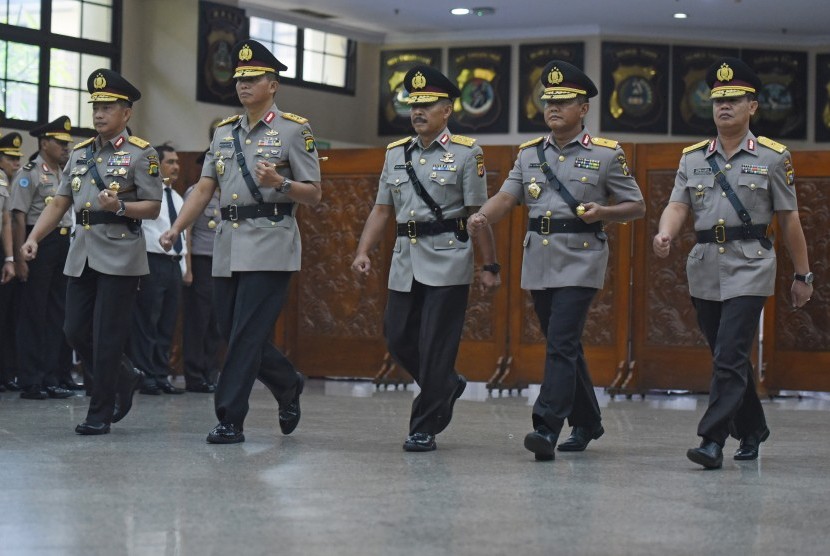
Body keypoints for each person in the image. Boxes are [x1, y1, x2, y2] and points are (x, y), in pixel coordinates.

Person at [468, 60, 645, 461]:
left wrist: (603, 213)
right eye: (549, 101)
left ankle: (546, 426)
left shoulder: (605, 154)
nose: (553, 108)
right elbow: (507, 197)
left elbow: (637, 206)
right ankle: (588, 421)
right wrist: (482, 217)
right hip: (540, 258)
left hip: (582, 258)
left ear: (583, 108)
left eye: (563, 102)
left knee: (561, 342)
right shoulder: (529, 154)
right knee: (563, 344)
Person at [653, 58, 813, 469]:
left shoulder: (774, 158)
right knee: (729, 355)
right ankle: (754, 428)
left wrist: (802, 275)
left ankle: (711, 440)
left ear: (753, 106)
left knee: (729, 354)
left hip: (751, 265)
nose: (724, 106)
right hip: (704, 265)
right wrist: (665, 232)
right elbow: (677, 203)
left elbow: (790, 217)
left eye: (734, 99)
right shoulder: (692, 158)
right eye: (718, 99)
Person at [160, 39, 320, 444]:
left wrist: (280, 182)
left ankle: (230, 417)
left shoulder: (294, 130)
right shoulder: (225, 133)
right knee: (231, 331)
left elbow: (314, 192)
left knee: (247, 334)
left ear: (273, 85)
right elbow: (202, 189)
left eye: (253, 79)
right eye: (240, 79)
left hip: (271, 243)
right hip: (227, 245)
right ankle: (287, 382)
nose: (244, 86)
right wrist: (177, 228)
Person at [351, 65, 499, 452]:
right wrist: (363, 250)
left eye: (427, 105)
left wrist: (488, 265)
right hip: (406, 259)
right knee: (398, 336)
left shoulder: (468, 154)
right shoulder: (396, 153)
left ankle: (424, 425)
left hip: (450, 258)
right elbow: (382, 209)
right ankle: (446, 384)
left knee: (436, 344)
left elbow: (477, 216)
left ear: (446, 110)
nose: (417, 112)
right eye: (413, 105)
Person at [20, 69, 162, 434]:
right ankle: (123, 374)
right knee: (73, 330)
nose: (99, 113)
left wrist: (120, 207)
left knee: (107, 335)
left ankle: (99, 412)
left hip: (120, 253)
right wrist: (34, 236)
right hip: (81, 252)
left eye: (108, 107)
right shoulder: (80, 153)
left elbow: (153, 206)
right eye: (96, 106)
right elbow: (59, 201)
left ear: (126, 113)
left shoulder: (141, 154)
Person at [10, 116, 76, 399]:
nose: (65, 148)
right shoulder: (30, 172)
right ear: (45, 142)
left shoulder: (64, 171)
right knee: (34, 314)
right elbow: (17, 218)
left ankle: (51, 376)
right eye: (60, 143)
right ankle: (30, 379)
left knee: (56, 312)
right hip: (38, 244)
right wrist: (19, 257)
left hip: (62, 244)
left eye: (67, 144)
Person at [130, 144, 187, 395]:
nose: (175, 166)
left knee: (167, 322)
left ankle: (161, 373)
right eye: (170, 162)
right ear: (157, 165)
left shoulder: (176, 197)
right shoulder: (147, 193)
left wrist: (185, 267)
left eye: (176, 162)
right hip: (152, 261)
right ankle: (145, 375)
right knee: (147, 321)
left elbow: (184, 233)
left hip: (174, 264)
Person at [182, 120, 225, 393]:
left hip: (222, 265)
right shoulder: (195, 193)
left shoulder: (228, 195)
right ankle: (194, 375)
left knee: (216, 322)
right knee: (198, 321)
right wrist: (187, 268)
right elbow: (186, 232)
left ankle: (211, 371)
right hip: (200, 262)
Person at [0, 131, 22, 391]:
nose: (14, 163)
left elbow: (5, 221)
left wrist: (9, 258)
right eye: (9, 157)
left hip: (0, 253)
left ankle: (5, 373)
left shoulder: (3, 180)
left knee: (4, 316)